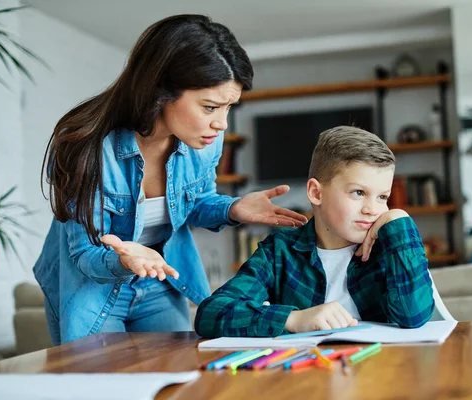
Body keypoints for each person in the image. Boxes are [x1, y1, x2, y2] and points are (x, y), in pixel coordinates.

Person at [34, 15, 307, 345]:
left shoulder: (204, 140)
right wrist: (123, 259)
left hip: (158, 280)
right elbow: (84, 254)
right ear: (160, 91)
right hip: (93, 284)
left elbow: (192, 204)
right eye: (209, 107)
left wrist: (233, 209)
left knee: (182, 378)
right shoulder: (85, 146)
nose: (222, 124)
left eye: (229, 108)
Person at [195, 126, 435, 338]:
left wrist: (398, 219)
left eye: (383, 197)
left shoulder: (388, 248)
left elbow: (413, 316)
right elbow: (210, 314)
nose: (372, 209)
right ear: (316, 193)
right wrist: (294, 319)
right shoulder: (279, 252)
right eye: (358, 193)